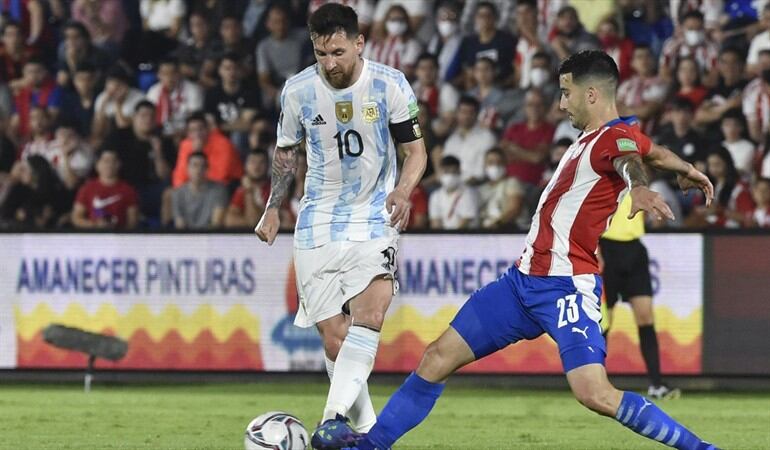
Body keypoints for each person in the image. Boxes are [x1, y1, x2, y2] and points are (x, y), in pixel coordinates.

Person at [328, 50, 718, 450]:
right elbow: (649, 151)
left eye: (566, 93)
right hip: (520, 284)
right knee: (436, 357)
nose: (561, 103)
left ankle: (703, 449)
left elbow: (631, 160)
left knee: (595, 394)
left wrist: (638, 186)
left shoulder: (610, 140)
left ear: (592, 95)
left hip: (566, 287)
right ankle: (369, 446)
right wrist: (685, 170)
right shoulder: (614, 134)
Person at [253, 4, 427, 449]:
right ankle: (366, 436)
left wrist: (403, 191)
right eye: (319, 53)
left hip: (374, 213)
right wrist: (273, 207)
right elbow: (285, 154)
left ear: (358, 43)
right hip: (318, 220)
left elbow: (416, 152)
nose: (329, 63)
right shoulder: (297, 91)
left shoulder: (389, 85)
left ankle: (331, 419)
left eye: (336, 52)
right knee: (336, 341)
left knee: (373, 308)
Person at [599, 193, 682, 400]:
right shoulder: (603, 174)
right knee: (604, 320)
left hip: (634, 249)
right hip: (606, 247)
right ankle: (596, 383)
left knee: (646, 318)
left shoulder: (636, 176)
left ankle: (656, 384)